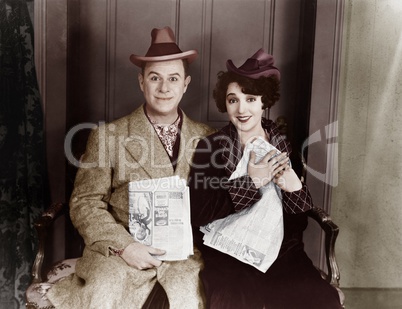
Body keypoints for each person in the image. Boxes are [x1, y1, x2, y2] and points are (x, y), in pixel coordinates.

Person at [46, 26, 215, 309]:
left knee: (191, 295)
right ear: (141, 82)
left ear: (185, 84)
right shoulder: (108, 136)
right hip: (118, 252)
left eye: (173, 78)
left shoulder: (208, 137)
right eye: (154, 78)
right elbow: (85, 203)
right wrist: (125, 246)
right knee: (104, 290)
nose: (164, 88)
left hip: (184, 256)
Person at [188, 49, 343, 309]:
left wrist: (295, 189)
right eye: (232, 100)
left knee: (320, 299)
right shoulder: (211, 147)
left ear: (264, 102)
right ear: (224, 103)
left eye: (250, 98)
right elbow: (199, 211)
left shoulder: (283, 147)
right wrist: (252, 182)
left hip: (282, 253)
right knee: (233, 301)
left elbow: (295, 227)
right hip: (229, 255)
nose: (241, 109)